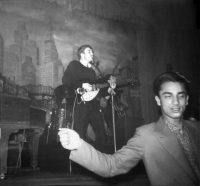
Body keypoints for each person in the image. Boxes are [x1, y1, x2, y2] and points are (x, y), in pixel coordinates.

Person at [59, 71, 200, 186]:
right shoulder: (146, 135)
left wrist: (110, 91)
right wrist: (78, 144)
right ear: (158, 100)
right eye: (168, 96)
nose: (175, 102)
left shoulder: (196, 128)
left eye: (180, 96)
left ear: (187, 99)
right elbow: (111, 165)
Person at [62, 44, 116, 151]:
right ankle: (78, 160)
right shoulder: (74, 65)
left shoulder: (92, 71)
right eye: (89, 51)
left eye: (92, 51)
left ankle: (97, 159)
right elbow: (66, 80)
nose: (92, 53)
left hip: (93, 104)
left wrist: (109, 88)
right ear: (82, 54)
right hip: (80, 103)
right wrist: (81, 85)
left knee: (101, 133)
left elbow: (95, 88)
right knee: (79, 133)